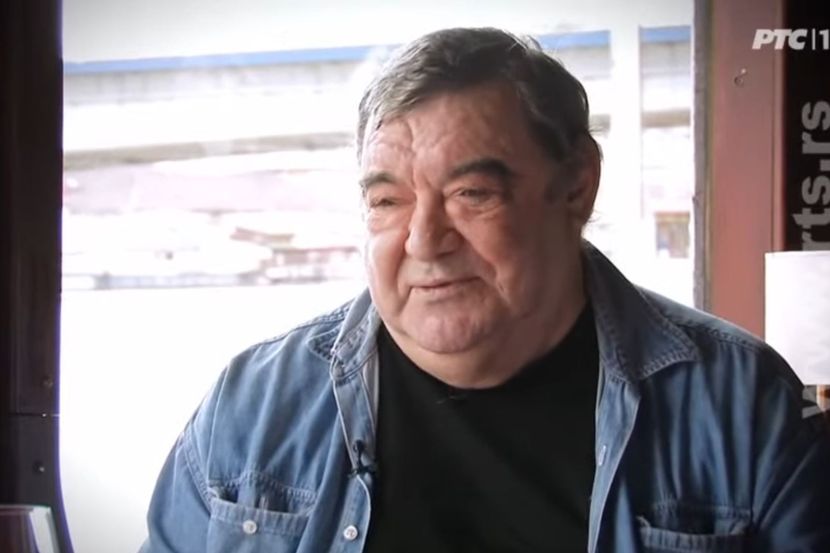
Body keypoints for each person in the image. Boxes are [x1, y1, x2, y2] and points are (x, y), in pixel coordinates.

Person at [140, 27, 830, 553]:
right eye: (387, 202)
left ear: (576, 186)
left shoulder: (743, 408)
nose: (423, 240)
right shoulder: (253, 407)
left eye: (471, 194)